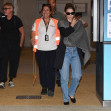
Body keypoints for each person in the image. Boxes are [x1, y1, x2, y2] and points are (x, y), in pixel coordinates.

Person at [54, 3, 90, 105]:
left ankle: (71, 92)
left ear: (74, 13)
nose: (70, 15)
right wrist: (72, 25)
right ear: (65, 13)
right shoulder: (61, 23)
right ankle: (66, 98)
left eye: (72, 13)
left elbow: (82, 35)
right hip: (65, 52)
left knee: (77, 76)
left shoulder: (79, 23)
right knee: (64, 78)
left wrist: (78, 23)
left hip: (75, 52)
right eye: (68, 13)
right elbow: (65, 33)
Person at [31, 4, 60, 97]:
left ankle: (51, 88)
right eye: (44, 10)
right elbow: (33, 32)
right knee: (43, 69)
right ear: (41, 12)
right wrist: (32, 38)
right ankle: (44, 87)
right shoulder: (37, 21)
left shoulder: (56, 22)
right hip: (40, 49)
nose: (45, 12)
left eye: (47, 10)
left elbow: (60, 34)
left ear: (51, 12)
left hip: (52, 49)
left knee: (51, 69)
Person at [0, 3, 25, 89]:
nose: (4, 10)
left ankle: (11, 79)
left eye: (6, 9)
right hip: (3, 45)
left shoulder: (16, 20)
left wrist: (20, 44)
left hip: (14, 46)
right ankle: (2, 81)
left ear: (11, 9)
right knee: (3, 62)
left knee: (13, 63)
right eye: (4, 9)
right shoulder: (2, 19)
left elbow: (22, 33)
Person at [48, 0, 64, 87]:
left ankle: (59, 78)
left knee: (59, 60)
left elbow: (64, 27)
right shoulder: (45, 14)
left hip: (58, 42)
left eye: (53, 2)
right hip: (47, 43)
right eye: (49, 3)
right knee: (50, 61)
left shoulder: (60, 15)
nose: (51, 4)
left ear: (55, 4)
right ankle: (50, 78)